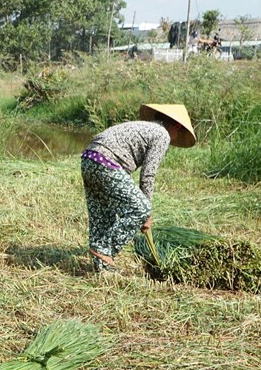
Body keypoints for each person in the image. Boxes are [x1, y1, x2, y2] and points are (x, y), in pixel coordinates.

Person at [80, 103, 196, 273]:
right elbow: (148, 175)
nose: (177, 136)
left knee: (103, 215)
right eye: (179, 132)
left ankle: (103, 268)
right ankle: (104, 248)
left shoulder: (147, 128)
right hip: (106, 162)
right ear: (177, 125)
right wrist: (147, 214)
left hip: (88, 159)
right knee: (141, 208)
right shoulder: (162, 134)